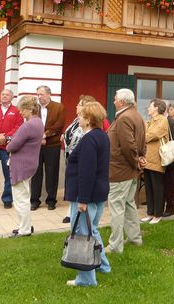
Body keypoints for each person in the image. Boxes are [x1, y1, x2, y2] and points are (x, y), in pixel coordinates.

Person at [64, 101, 111, 286]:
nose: (78, 118)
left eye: (81, 116)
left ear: (89, 119)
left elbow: (87, 171)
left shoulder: (89, 139)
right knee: (92, 231)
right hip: (97, 192)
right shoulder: (101, 136)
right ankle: (103, 266)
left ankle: (86, 279)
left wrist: (82, 200)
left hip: (87, 195)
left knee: (83, 234)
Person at [106, 88, 146, 254]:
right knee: (129, 204)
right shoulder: (136, 115)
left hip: (121, 170)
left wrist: (136, 161)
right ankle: (135, 238)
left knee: (117, 207)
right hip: (129, 170)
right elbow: (141, 142)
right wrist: (139, 159)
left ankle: (115, 245)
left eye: (115, 98)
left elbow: (128, 146)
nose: (114, 101)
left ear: (121, 102)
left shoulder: (124, 118)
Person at [6, 95, 44, 237]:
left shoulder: (28, 125)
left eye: (22, 109)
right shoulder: (39, 122)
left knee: (20, 199)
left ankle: (24, 229)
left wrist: (8, 143)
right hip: (30, 164)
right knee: (24, 197)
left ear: (30, 109)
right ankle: (26, 225)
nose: (20, 112)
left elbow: (12, 146)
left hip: (21, 166)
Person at [61, 95, 100, 223]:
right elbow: (69, 134)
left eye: (79, 104)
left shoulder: (89, 130)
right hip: (71, 156)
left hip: (79, 157)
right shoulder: (76, 120)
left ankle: (74, 212)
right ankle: (71, 211)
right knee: (72, 185)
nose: (76, 106)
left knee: (79, 184)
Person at [30, 85, 65, 211]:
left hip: (53, 145)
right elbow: (30, 123)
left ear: (49, 94)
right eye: (38, 94)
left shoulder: (59, 107)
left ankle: (51, 200)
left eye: (42, 94)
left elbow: (59, 125)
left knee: (52, 173)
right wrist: (38, 138)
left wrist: (44, 135)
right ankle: (34, 200)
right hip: (36, 146)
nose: (39, 97)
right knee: (36, 173)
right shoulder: (34, 108)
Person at [142, 98, 168, 224]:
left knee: (157, 188)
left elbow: (153, 135)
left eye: (150, 106)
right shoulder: (151, 121)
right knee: (149, 188)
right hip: (148, 159)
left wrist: (141, 137)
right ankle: (150, 213)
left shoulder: (162, 120)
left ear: (156, 108)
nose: (148, 108)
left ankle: (158, 214)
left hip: (156, 160)